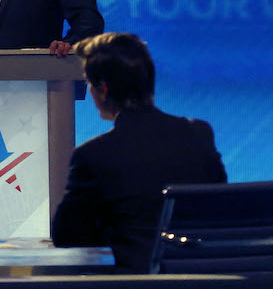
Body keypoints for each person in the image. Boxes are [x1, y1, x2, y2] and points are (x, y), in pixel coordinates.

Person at [50, 33, 226, 271]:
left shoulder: (94, 155)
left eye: (89, 83)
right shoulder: (199, 135)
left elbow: (67, 237)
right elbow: (219, 215)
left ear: (103, 89)